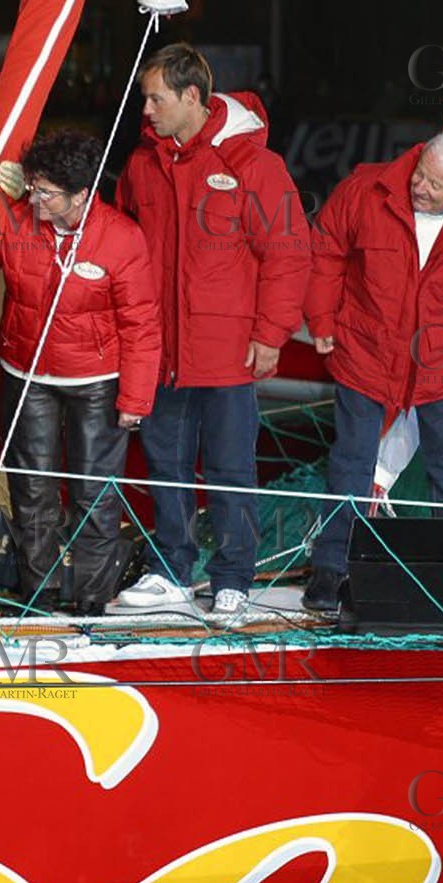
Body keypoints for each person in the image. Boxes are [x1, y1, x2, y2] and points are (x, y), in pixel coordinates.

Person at [112, 43, 311, 616]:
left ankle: (233, 578)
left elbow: (288, 253)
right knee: (166, 465)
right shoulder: (143, 162)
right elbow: (119, 237)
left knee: (230, 469)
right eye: (145, 98)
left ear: (191, 96)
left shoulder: (253, 165)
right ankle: (171, 570)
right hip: (161, 349)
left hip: (227, 352)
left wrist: (271, 334)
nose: (146, 110)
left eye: (156, 99)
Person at [0, 130, 161, 614]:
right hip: (26, 373)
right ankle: (39, 594)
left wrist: (135, 400)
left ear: (81, 195)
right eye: (32, 188)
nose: (34, 199)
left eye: (46, 193)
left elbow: (141, 324)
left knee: (93, 493)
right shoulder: (16, 220)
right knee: (31, 488)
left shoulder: (122, 238)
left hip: (95, 381)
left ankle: (92, 599)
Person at [302, 133, 443, 610]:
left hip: (439, 361)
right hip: (366, 352)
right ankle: (331, 566)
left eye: (435, 185)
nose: (420, 187)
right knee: (351, 460)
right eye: (420, 174)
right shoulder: (366, 189)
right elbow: (327, 250)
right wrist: (320, 317)